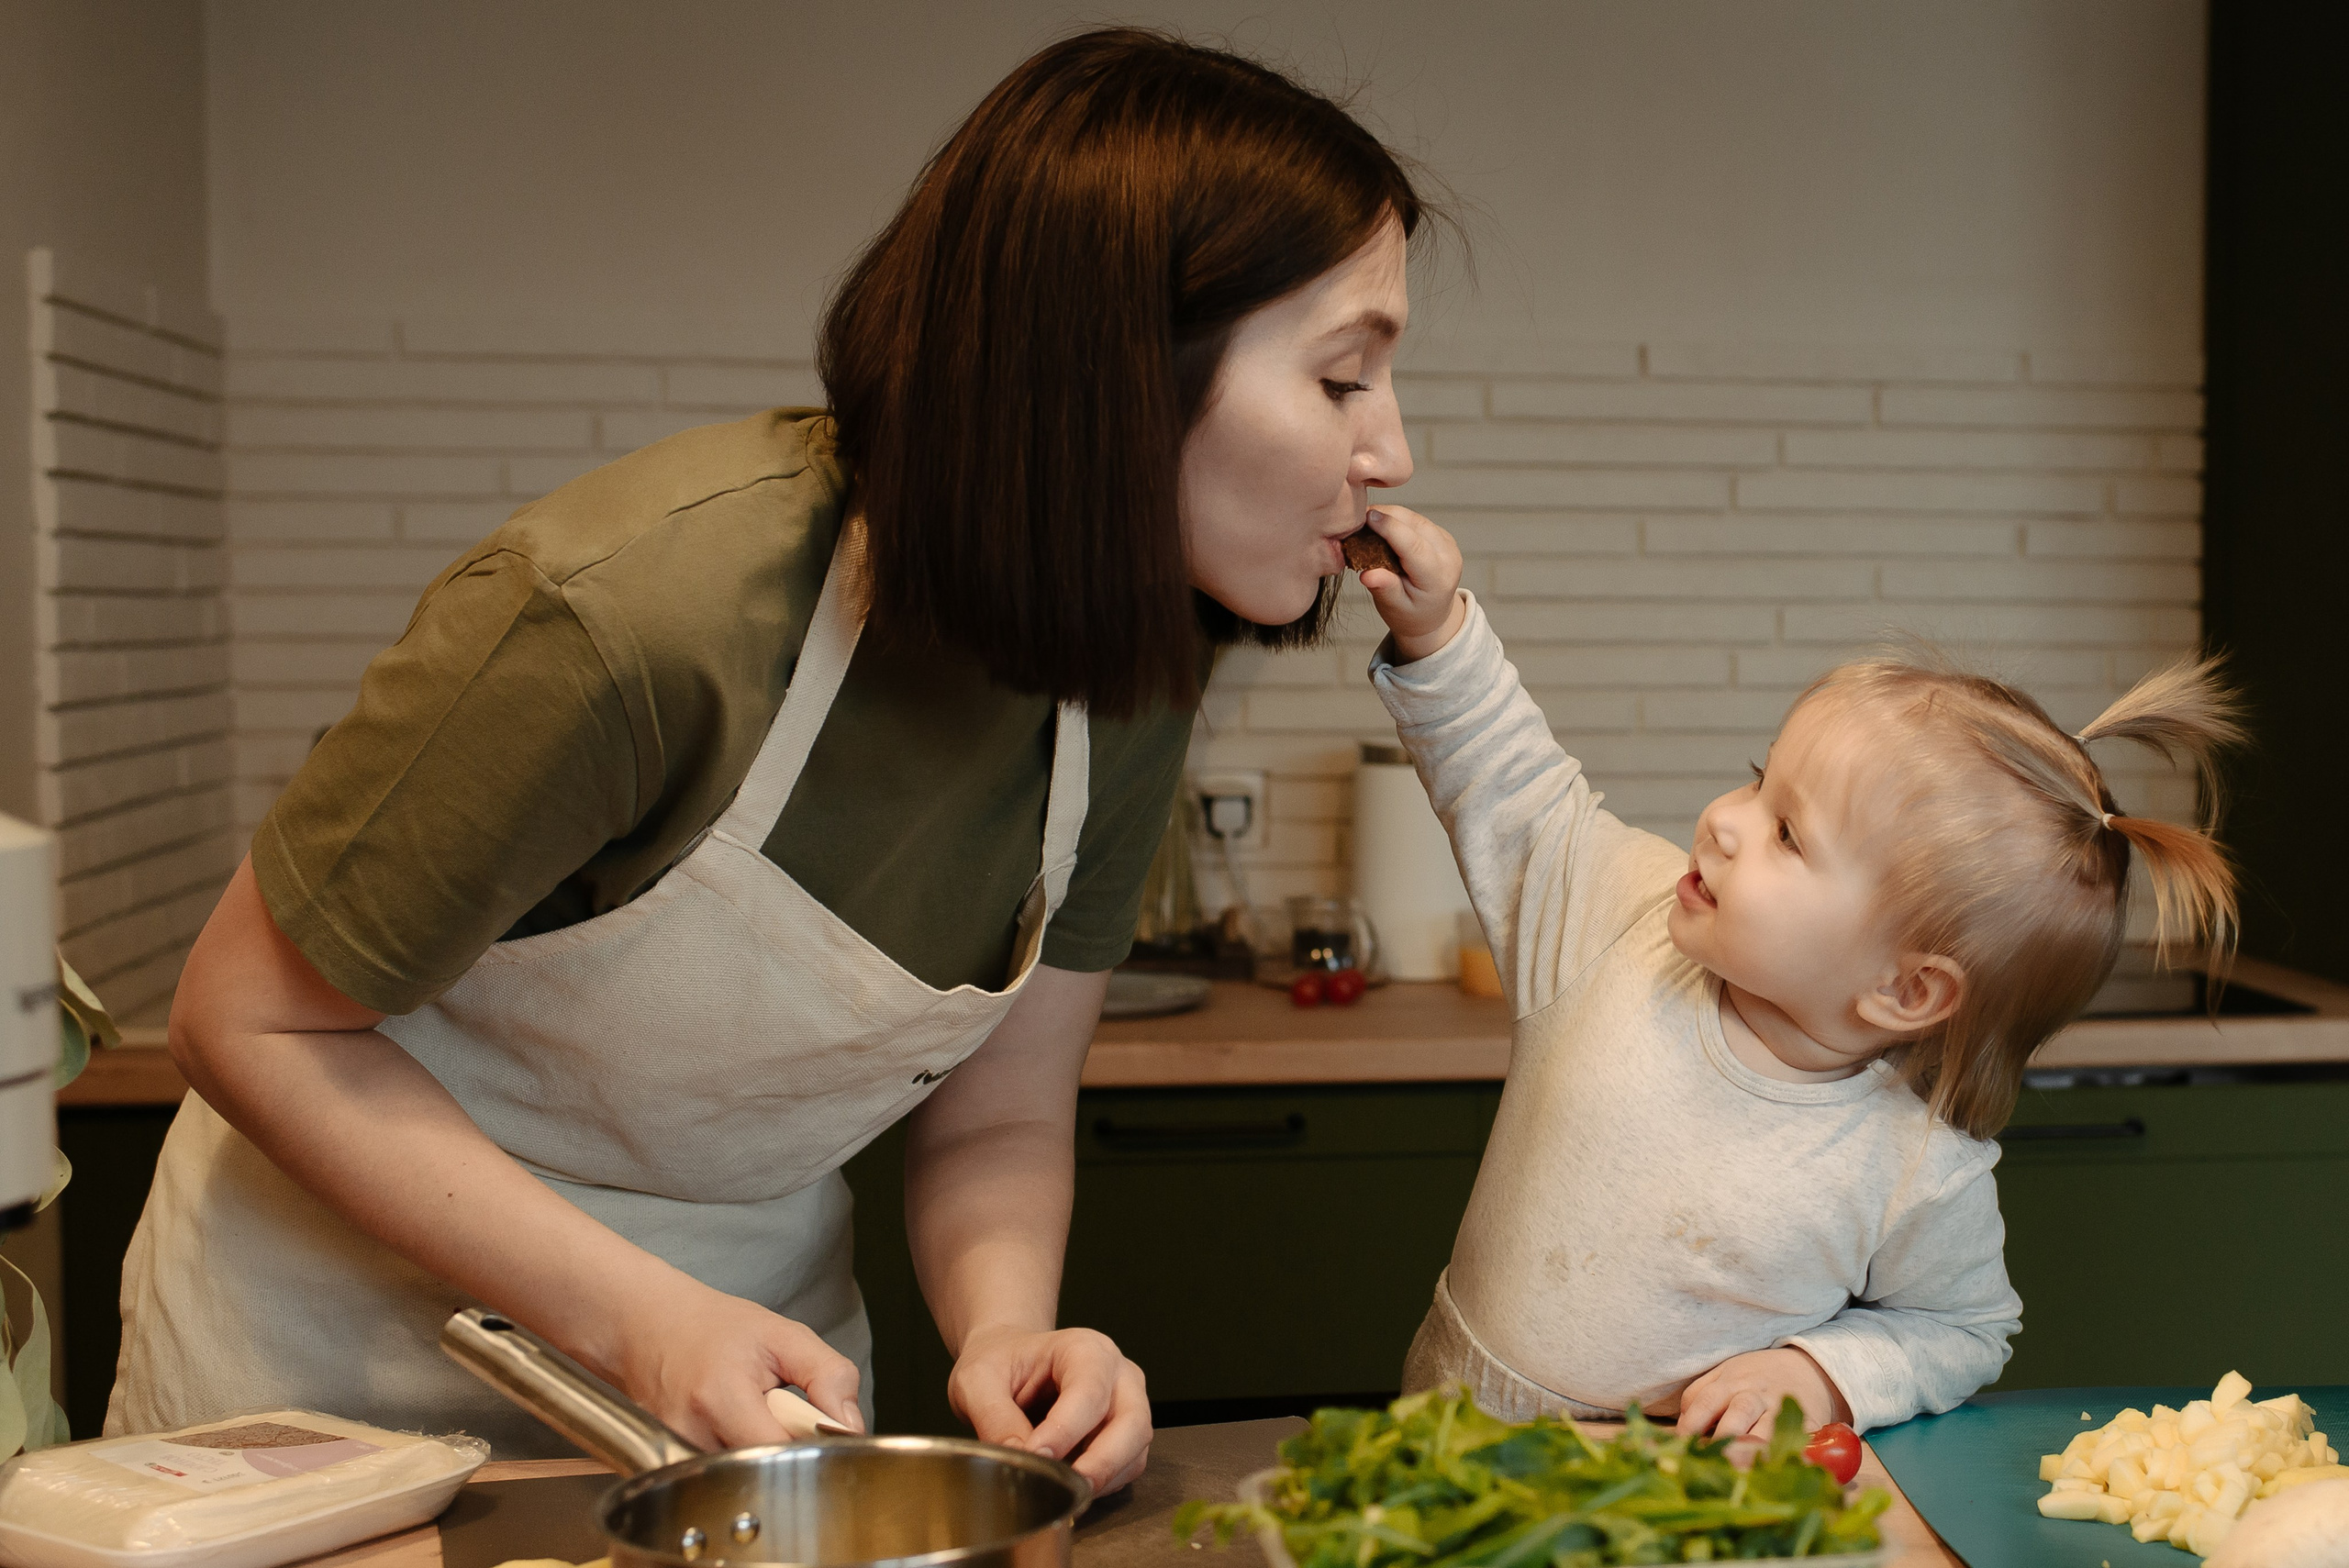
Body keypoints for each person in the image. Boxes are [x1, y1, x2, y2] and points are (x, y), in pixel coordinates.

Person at [117, 29, 1428, 1492]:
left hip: (734, 1413)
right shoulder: (628, 616)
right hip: (321, 1399)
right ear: (1124, 371)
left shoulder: (1126, 685)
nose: (1392, 453)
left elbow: (996, 1111)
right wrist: (638, 1319)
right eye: (1342, 381)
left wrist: (1007, 1331)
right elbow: (248, 1020)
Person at [1345, 505, 2240, 1437]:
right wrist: (1438, 627)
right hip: (1442, 1446)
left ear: (1905, 988)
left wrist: (1814, 1373)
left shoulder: (1911, 1168)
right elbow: (1512, 782)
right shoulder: (1613, 920)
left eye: (1785, 831)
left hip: (1677, 1506)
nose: (1723, 819)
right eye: (1754, 777)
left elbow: (1961, 1327)